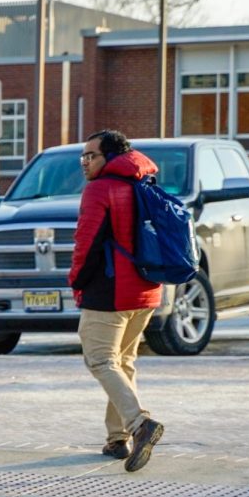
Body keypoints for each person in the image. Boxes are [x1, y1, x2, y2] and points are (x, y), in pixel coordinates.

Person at [68, 129, 164, 472]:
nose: (85, 162)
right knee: (122, 362)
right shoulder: (144, 182)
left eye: (91, 155)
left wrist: (75, 280)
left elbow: (86, 241)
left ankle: (140, 424)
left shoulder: (100, 189)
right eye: (83, 156)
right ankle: (117, 438)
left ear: (109, 157)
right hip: (147, 289)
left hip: (110, 291)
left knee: (100, 361)